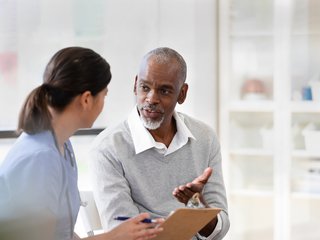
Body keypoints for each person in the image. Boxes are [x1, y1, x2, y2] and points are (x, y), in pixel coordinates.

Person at [0, 47, 163, 240]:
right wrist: (113, 237)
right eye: (104, 95)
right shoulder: (40, 159)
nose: (104, 103)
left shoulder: (63, 146)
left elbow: (60, 233)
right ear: (87, 99)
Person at [90, 47, 230, 240]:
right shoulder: (108, 147)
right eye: (145, 87)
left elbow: (220, 228)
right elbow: (122, 232)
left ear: (182, 93)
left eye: (164, 91)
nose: (151, 99)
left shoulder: (205, 137)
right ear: (135, 85)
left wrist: (197, 206)